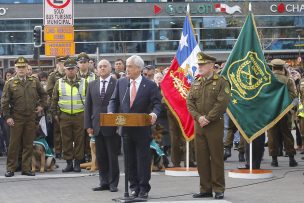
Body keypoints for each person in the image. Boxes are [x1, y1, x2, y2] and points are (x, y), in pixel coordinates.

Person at [108, 55, 161, 200]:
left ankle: (144, 188)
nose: (127, 69)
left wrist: (154, 114)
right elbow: (113, 100)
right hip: (125, 129)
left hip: (142, 128)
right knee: (129, 160)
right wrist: (111, 112)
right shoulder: (121, 82)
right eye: (127, 66)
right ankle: (133, 187)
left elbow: (157, 104)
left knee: (142, 159)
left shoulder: (149, 85)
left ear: (139, 68)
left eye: (130, 66)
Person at [187, 52, 230, 200]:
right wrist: (199, 118)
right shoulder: (197, 82)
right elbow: (189, 102)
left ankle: (218, 188)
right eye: (199, 65)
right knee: (202, 158)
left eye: (203, 64)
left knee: (216, 157)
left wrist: (208, 118)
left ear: (211, 66)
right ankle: (205, 188)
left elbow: (222, 103)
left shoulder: (221, 82)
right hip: (199, 125)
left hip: (214, 125)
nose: (200, 67)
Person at [2, 57, 47, 177]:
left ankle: (26, 168)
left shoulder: (34, 81)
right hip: (16, 118)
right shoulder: (10, 83)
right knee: (14, 144)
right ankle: (11, 168)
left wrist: (41, 106)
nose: (21, 69)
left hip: (31, 117)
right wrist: (7, 117)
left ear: (27, 68)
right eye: (19, 67)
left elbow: (44, 95)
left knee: (28, 144)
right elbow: (4, 102)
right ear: (15, 68)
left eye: (23, 67)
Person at [84, 59, 119, 192]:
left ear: (110, 69)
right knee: (101, 156)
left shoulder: (117, 83)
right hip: (96, 125)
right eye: (100, 67)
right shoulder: (92, 84)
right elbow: (88, 106)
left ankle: (113, 183)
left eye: (105, 66)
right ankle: (103, 182)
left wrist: (119, 125)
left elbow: (120, 104)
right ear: (97, 69)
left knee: (112, 156)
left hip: (112, 126)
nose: (102, 68)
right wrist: (88, 125)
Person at [51, 57, 87, 173]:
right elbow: (54, 99)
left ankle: (77, 163)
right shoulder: (59, 82)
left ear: (76, 69)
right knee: (65, 140)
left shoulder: (83, 82)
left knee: (79, 140)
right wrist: (55, 114)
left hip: (80, 115)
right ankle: (68, 163)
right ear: (65, 70)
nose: (70, 71)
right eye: (68, 69)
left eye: (72, 69)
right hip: (64, 115)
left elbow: (89, 99)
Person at [267, 59, 297, 167]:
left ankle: (274, 160)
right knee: (287, 134)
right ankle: (291, 159)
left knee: (272, 134)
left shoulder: (268, 79)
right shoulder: (288, 80)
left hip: (271, 112)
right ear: (282, 67)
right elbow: (293, 96)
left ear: (273, 67)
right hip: (284, 111)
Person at [77, 52, 96, 162]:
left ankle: (90, 156)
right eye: (81, 62)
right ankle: (80, 156)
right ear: (77, 64)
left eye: (85, 62)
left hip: (92, 110)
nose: (83, 64)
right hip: (78, 110)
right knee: (79, 136)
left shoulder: (94, 76)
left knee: (90, 134)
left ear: (89, 63)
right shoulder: (74, 75)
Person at [47, 56, 67, 159]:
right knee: (57, 130)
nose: (62, 65)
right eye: (61, 63)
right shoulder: (53, 76)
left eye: (64, 63)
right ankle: (58, 150)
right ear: (57, 64)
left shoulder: (70, 74)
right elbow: (49, 90)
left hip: (68, 105)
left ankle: (67, 150)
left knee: (67, 130)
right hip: (57, 106)